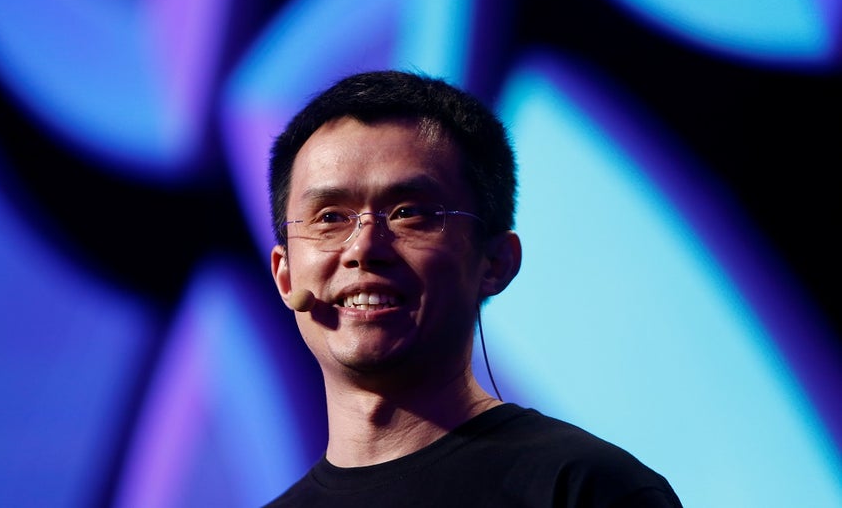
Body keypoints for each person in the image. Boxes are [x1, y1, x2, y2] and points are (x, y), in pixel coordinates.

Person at [265, 70, 681, 507]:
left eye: (408, 213)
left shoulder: (587, 489)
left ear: (496, 262)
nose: (364, 248)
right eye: (330, 218)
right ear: (285, 274)